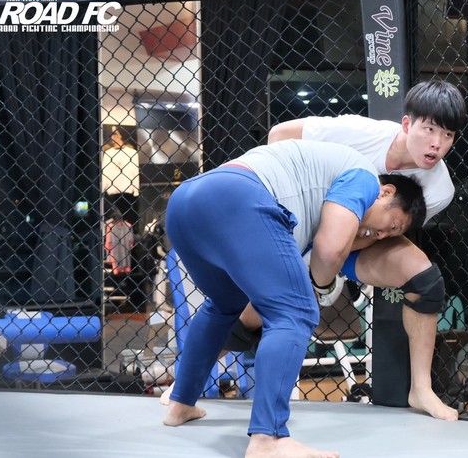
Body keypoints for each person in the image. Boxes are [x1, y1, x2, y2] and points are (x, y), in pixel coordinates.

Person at [162, 79, 466, 421]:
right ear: (407, 124)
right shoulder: (361, 136)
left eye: (448, 135)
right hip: (297, 217)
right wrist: (288, 199)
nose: (437, 143)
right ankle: (191, 388)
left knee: (424, 279)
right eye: (429, 130)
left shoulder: (439, 188)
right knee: (252, 311)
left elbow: (386, 231)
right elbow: (280, 134)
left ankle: (421, 388)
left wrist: (340, 248)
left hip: (360, 237)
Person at [162, 139, 426, 458]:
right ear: (386, 193)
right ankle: (268, 438)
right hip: (238, 196)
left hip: (186, 203)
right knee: (295, 312)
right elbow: (329, 251)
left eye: (390, 237)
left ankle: (180, 404)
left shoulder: (316, 200)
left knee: (223, 305)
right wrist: (324, 290)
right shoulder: (366, 177)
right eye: (392, 225)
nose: (381, 235)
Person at [102, 126, 140, 229]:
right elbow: (105, 172)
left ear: (121, 136)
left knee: (128, 219)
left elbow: (135, 171)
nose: (113, 138)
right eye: (113, 135)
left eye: (116, 135)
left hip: (128, 190)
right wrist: (103, 189)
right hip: (112, 191)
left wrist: (136, 189)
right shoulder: (108, 153)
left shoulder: (132, 153)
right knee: (114, 220)